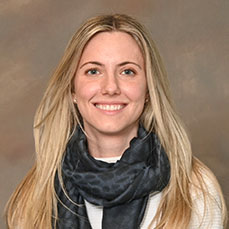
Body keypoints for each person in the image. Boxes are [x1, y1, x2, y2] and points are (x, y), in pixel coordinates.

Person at [5, 14, 227, 229]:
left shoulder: (193, 189)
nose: (110, 87)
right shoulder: (36, 194)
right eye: (93, 71)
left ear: (148, 88)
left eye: (127, 71)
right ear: (72, 88)